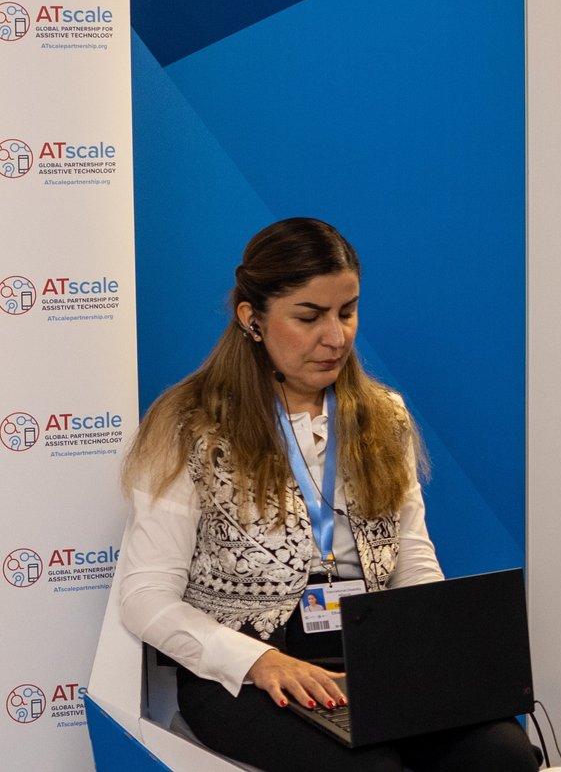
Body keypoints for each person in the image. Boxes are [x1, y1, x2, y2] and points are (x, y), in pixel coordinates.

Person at [114, 217, 538, 771]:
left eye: (348, 311)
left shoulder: (384, 416)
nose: (335, 337)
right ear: (252, 319)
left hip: (375, 664)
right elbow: (145, 598)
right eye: (309, 317)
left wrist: (431, 654)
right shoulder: (189, 425)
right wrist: (259, 661)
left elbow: (412, 556)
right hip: (245, 677)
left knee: (502, 756)